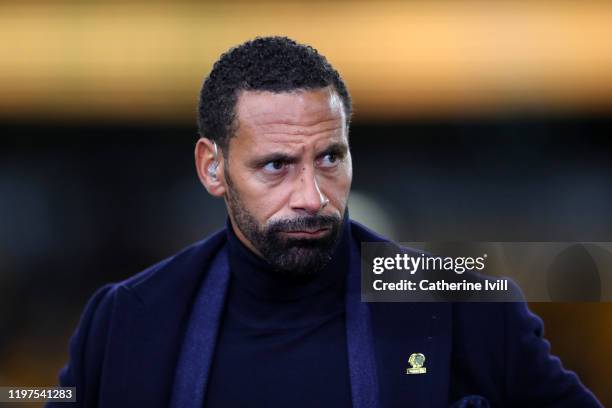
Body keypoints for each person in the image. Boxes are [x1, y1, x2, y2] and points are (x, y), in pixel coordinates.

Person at [49, 36, 601, 408]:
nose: (312, 197)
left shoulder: (460, 304)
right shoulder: (128, 319)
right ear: (212, 168)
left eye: (330, 158)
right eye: (276, 166)